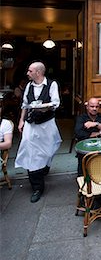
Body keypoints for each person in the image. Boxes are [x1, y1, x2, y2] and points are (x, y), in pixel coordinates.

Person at [15, 62, 61, 203]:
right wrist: (21, 120)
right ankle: (37, 187)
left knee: (49, 150)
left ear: (38, 72)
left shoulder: (52, 85)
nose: (27, 73)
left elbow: (55, 103)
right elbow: (25, 105)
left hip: (46, 124)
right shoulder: (28, 86)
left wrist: (44, 108)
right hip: (31, 124)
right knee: (31, 153)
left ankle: (44, 166)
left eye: (30, 71)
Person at [75, 97, 101, 176]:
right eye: (92, 106)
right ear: (87, 107)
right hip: (86, 147)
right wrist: (97, 133)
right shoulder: (81, 118)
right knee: (82, 157)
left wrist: (96, 124)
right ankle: (83, 179)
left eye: (96, 107)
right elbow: (78, 133)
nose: (94, 109)